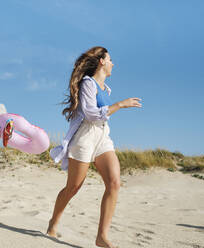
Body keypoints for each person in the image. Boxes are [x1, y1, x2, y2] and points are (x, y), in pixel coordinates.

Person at [47, 46, 142, 248]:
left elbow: (101, 116)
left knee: (114, 183)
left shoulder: (105, 88)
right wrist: (120, 105)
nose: (112, 63)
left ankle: (102, 236)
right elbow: (90, 113)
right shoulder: (87, 84)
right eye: (110, 59)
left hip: (103, 136)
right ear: (101, 61)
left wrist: (115, 105)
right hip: (85, 137)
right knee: (73, 187)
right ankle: (53, 221)